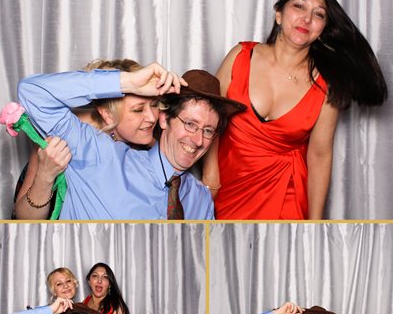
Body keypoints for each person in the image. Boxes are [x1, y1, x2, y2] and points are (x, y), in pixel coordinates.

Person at [203, 0, 388, 220]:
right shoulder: (240, 55)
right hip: (226, 184)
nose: (307, 18)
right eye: (299, 6)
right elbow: (209, 117)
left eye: (318, 14)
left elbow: (319, 156)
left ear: (323, 29)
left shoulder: (326, 86)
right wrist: (210, 172)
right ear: (279, 14)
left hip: (286, 192)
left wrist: (315, 223)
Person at [17, 65, 245, 219]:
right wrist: (128, 82)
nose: (197, 140)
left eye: (208, 131)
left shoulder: (201, 199)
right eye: (190, 124)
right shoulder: (99, 155)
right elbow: (32, 93)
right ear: (164, 119)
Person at [13, 58, 160, 219]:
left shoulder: (159, 141)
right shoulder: (65, 135)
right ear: (107, 113)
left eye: (155, 105)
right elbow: (24, 219)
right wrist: (45, 176)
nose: (152, 117)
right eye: (138, 110)